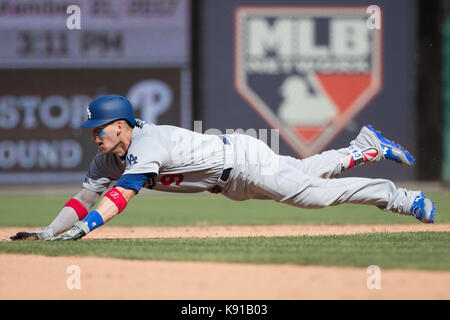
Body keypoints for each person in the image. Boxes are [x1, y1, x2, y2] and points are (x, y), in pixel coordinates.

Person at [10, 95, 436, 241]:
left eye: (98, 128)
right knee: (306, 173)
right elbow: (86, 197)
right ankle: (364, 148)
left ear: (120, 125)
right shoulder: (107, 157)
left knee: (315, 197)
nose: (93, 135)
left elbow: (121, 196)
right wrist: (51, 231)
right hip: (230, 182)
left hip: (243, 163)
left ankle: (400, 198)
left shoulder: (147, 143)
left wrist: (82, 232)